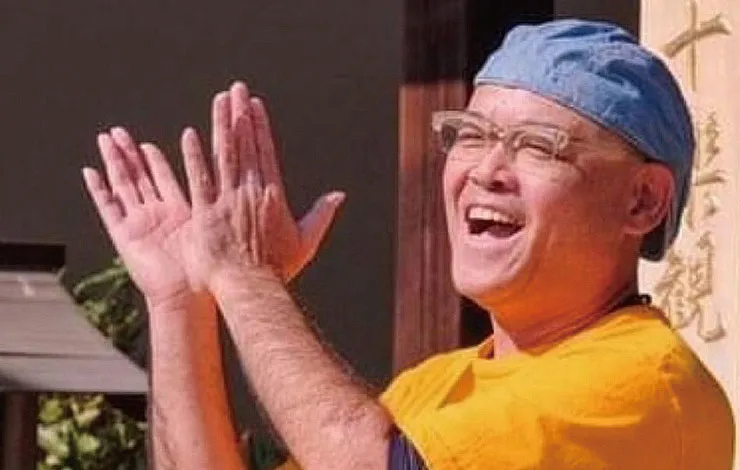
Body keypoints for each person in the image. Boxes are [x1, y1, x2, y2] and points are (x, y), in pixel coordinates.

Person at [82, 19, 734, 470]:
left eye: (538, 146)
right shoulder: (434, 387)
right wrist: (181, 302)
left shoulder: (646, 384)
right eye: (471, 135)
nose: (486, 170)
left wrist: (248, 278)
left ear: (642, 201)